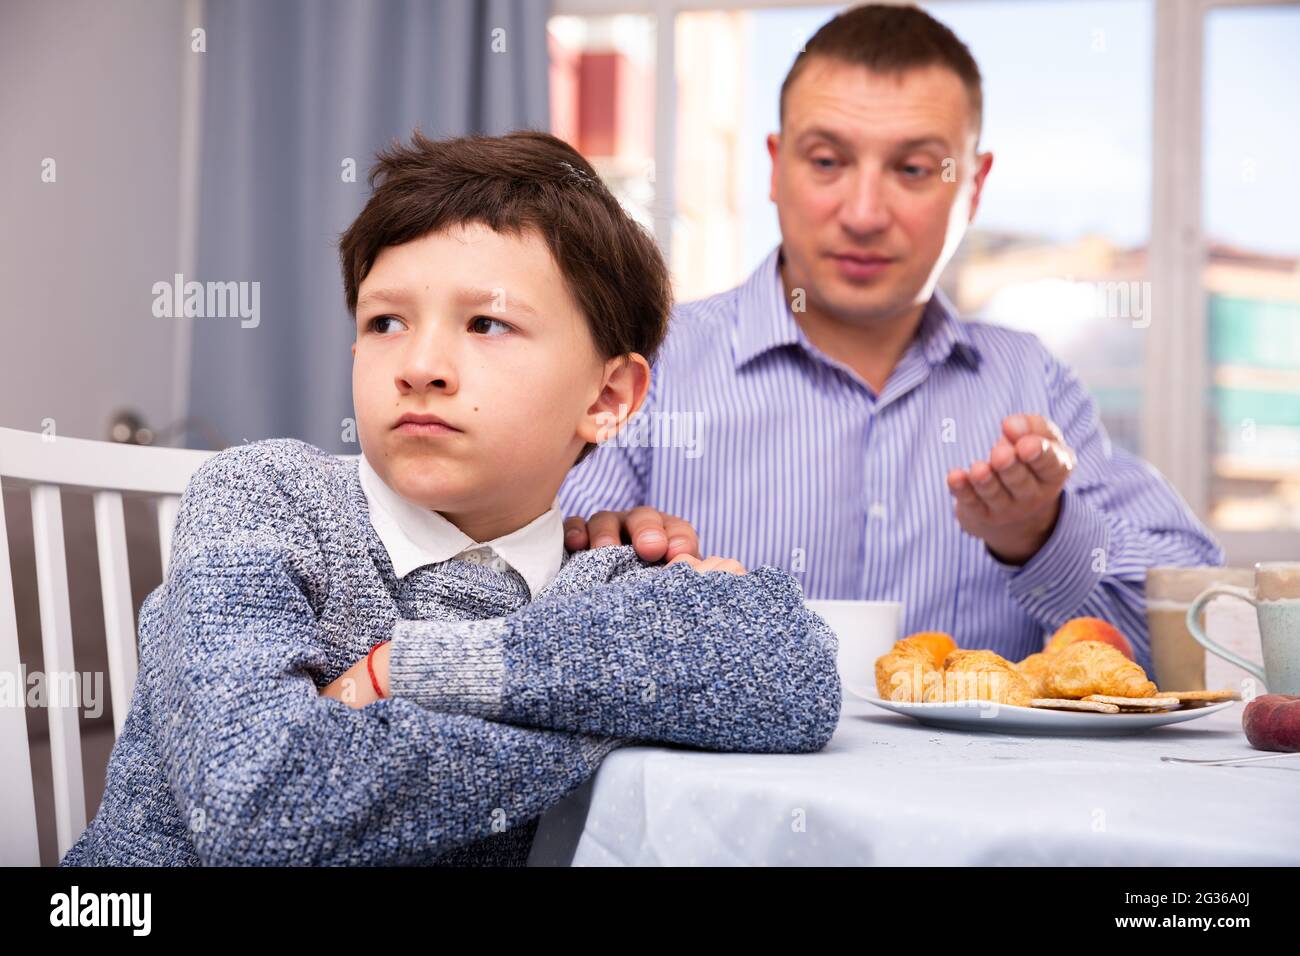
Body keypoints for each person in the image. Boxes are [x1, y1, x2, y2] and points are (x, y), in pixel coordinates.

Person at [59, 130, 840, 867]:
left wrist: (403, 670)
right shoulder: (267, 496)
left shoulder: (603, 576)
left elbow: (798, 675)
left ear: (608, 397)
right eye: (387, 321)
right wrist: (615, 711)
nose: (421, 364)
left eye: (487, 323)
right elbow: (258, 804)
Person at [559, 3, 1223, 678]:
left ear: (973, 185)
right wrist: (612, 569)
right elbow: (528, 614)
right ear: (774, 166)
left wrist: (1041, 534)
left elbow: (1201, 629)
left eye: (913, 170)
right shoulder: (648, 365)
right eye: (826, 161)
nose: (865, 214)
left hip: (971, 787)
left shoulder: (1033, 381)